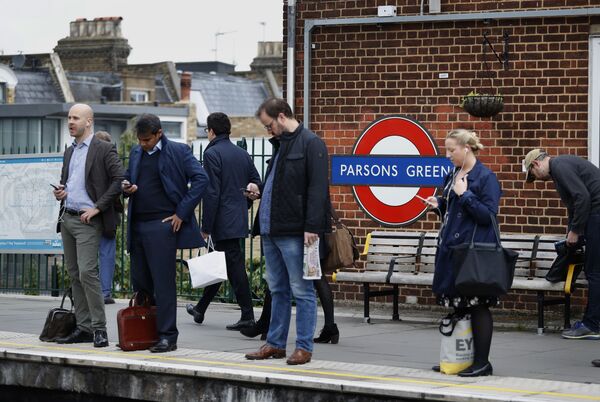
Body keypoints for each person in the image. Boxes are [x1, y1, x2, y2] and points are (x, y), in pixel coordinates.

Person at [244, 98, 330, 365]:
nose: (268, 131)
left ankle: (304, 347)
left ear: (281, 117)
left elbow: (318, 188)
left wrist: (312, 227)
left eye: (269, 125)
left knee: (302, 290)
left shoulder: (311, 143)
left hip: (295, 230)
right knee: (278, 289)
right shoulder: (280, 145)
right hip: (272, 228)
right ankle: (275, 343)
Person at [123, 114, 208, 353]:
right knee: (141, 283)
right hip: (137, 225)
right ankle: (147, 333)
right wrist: (126, 186)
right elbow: (127, 177)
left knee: (164, 283)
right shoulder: (136, 152)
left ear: (159, 133)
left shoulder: (179, 151)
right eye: (139, 140)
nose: (142, 144)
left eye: (147, 140)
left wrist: (181, 213)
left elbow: (201, 179)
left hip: (163, 226)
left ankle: (168, 337)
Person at [423, 129, 501, 377]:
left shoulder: (485, 177)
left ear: (466, 148)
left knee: (478, 306)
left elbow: (487, 215)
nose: (447, 155)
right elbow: (453, 210)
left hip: (472, 253)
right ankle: (459, 357)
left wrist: (464, 195)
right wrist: (439, 204)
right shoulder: (453, 175)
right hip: (452, 251)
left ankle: (482, 362)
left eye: (451, 150)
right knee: (459, 304)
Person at [53, 104, 124, 348]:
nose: (70, 122)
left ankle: (99, 329)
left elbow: (118, 180)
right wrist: (62, 193)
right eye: (69, 118)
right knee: (73, 273)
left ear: (89, 122)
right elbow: (69, 182)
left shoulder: (103, 148)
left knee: (87, 272)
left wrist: (98, 207)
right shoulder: (69, 151)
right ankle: (83, 328)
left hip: (88, 220)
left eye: (76, 118)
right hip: (68, 218)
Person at [185, 112, 261, 330]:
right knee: (223, 264)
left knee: (234, 267)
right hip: (237, 218)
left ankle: (247, 315)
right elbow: (256, 183)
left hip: (221, 220)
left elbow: (212, 194)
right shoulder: (242, 154)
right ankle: (200, 309)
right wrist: (245, 198)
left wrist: (206, 227)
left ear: (211, 131)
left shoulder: (212, 154)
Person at [524, 149, 600, 345]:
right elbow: (574, 206)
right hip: (594, 217)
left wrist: (575, 231)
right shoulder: (561, 168)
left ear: (536, 165)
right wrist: (571, 232)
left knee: (595, 272)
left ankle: (592, 325)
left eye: (533, 176)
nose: (539, 180)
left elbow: (582, 197)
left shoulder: (559, 166)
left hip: (597, 216)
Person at [241, 276, 340, 344]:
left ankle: (265, 324)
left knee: (279, 272)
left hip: (302, 245)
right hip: (315, 246)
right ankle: (329, 327)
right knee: (318, 275)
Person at [94, 130, 122, 304]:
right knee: (107, 254)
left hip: (90, 211)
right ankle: (105, 292)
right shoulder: (113, 160)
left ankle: (96, 292)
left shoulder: (89, 159)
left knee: (89, 254)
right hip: (109, 214)